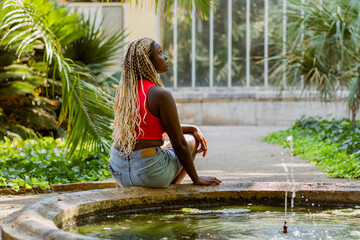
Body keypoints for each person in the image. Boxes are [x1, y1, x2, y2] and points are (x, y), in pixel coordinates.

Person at [109, 37, 221, 188]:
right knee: (189, 140)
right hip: (149, 173)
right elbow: (179, 142)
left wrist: (193, 128)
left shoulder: (124, 92)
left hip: (119, 171)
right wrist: (196, 178)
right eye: (160, 53)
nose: (166, 57)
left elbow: (149, 128)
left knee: (174, 141)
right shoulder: (159, 94)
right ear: (148, 61)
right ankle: (171, 193)